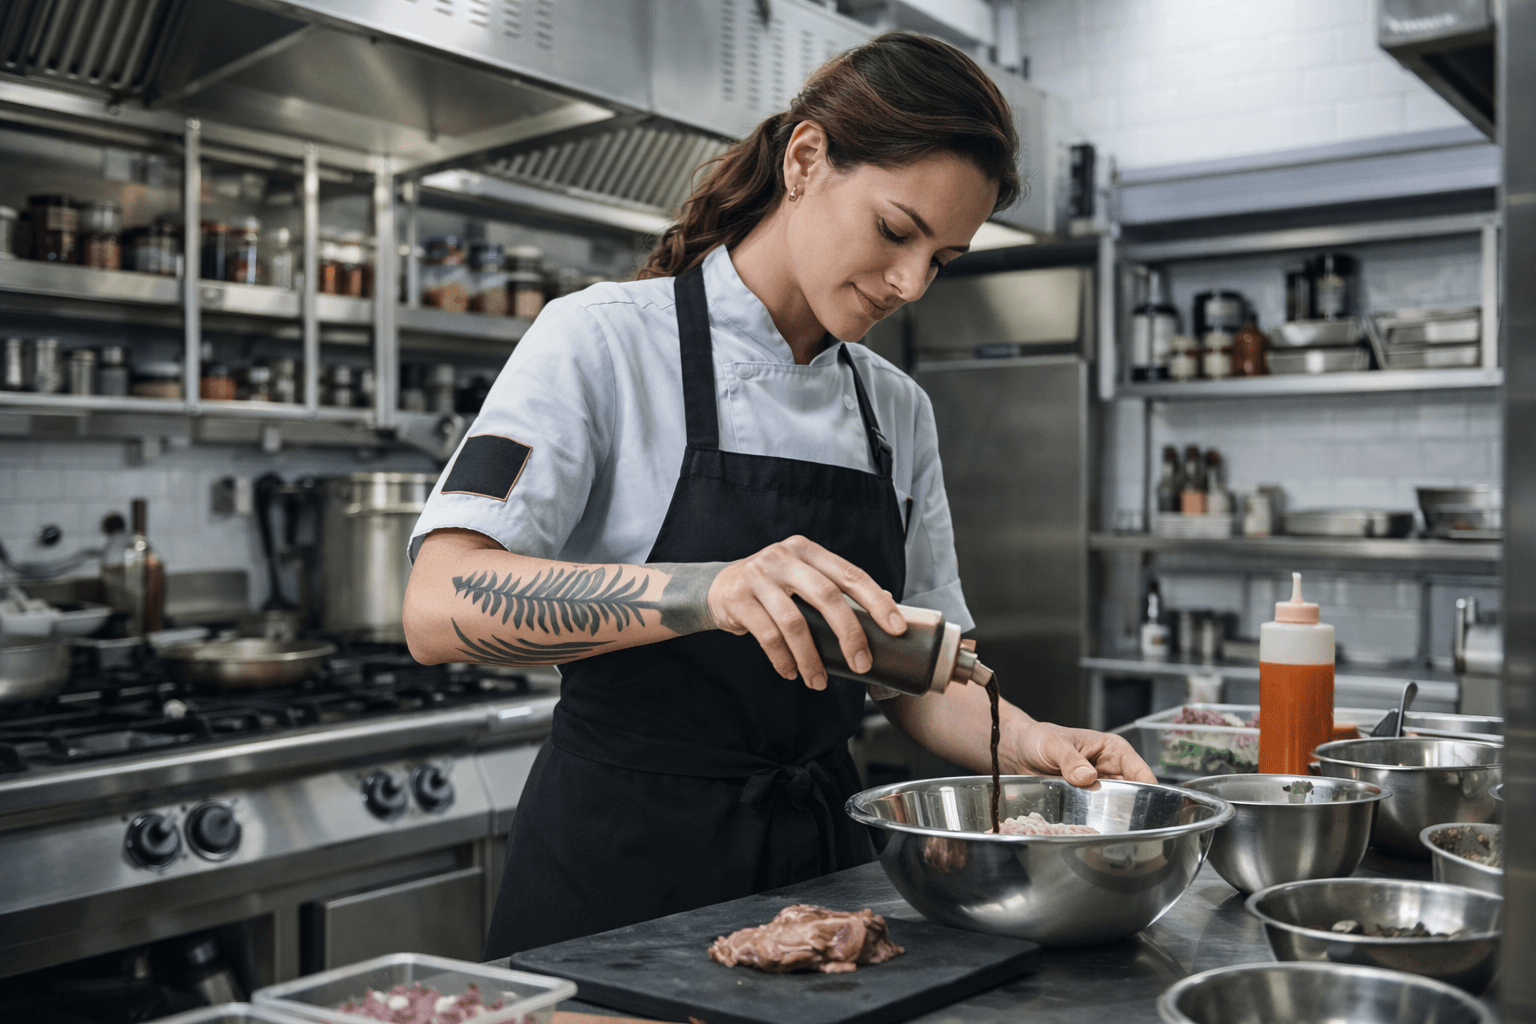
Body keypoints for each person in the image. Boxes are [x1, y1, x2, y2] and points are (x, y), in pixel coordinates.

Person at [402, 32, 1155, 958]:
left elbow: (921, 679)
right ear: (806, 161)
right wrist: (705, 591)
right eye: (895, 231)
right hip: (618, 881)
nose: (912, 283)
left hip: (819, 890)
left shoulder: (895, 412)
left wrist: (1038, 747)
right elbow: (437, 607)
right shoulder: (601, 343)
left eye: (943, 259)